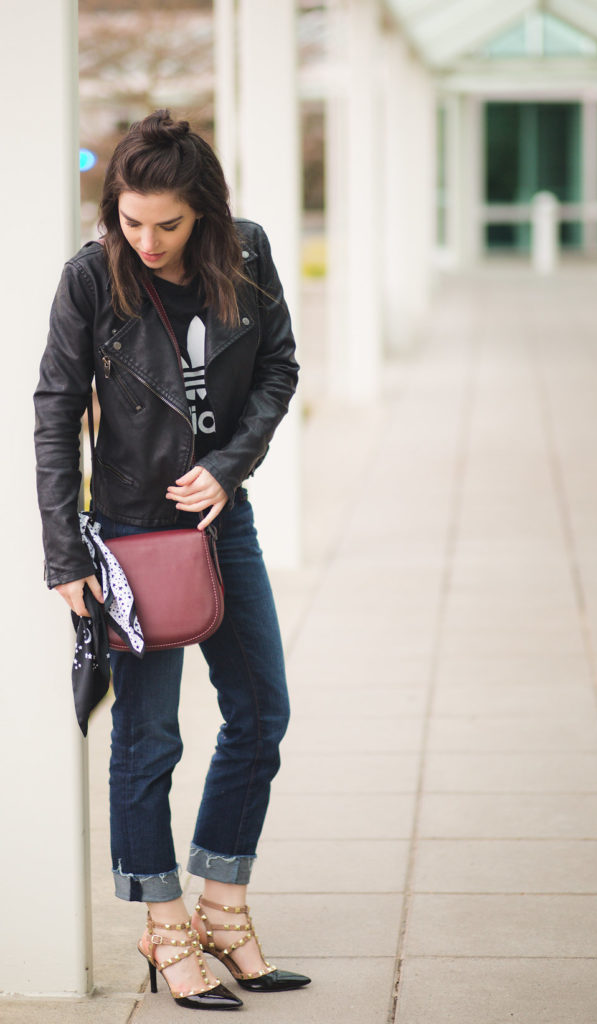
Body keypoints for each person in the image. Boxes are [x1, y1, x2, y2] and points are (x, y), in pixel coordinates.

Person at [34, 110, 309, 1011]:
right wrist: (64, 547)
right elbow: (55, 410)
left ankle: (223, 908)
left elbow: (278, 368)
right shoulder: (91, 276)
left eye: (168, 224)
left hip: (220, 521)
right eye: (129, 219)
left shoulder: (251, 255)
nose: (144, 240)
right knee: (149, 737)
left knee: (262, 710)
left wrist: (229, 469)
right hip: (127, 535)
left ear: (207, 215)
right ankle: (162, 923)